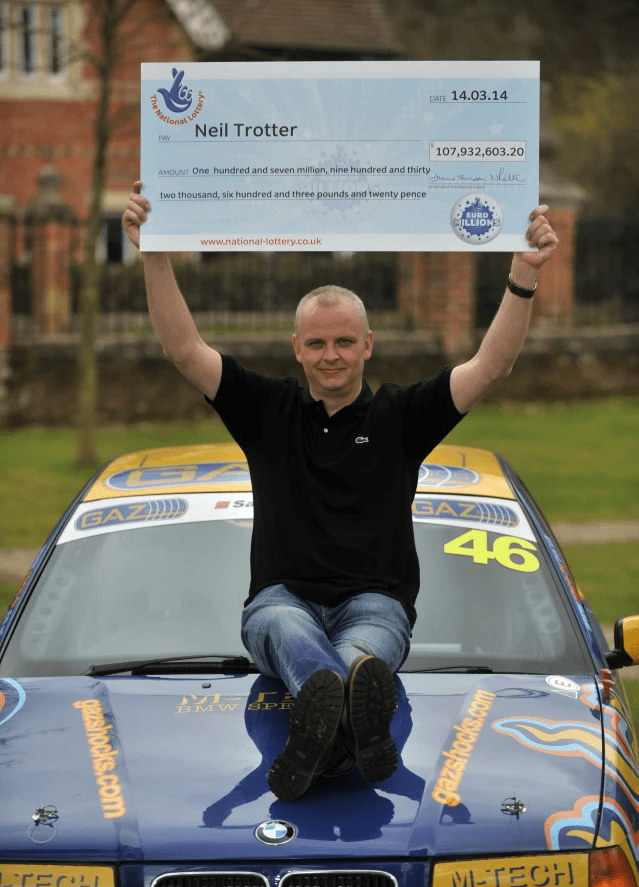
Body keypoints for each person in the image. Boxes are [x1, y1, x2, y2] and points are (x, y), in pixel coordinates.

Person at [123, 182, 559, 801]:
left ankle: (326, 738)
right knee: (288, 628)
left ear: (368, 345)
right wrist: (155, 252)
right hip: (282, 603)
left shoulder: (403, 416)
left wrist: (522, 277)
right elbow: (182, 348)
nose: (332, 356)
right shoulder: (267, 409)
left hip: (375, 607)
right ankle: (357, 728)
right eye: (319, 343)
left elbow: (490, 366)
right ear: (297, 349)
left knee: (363, 665)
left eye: (345, 342)